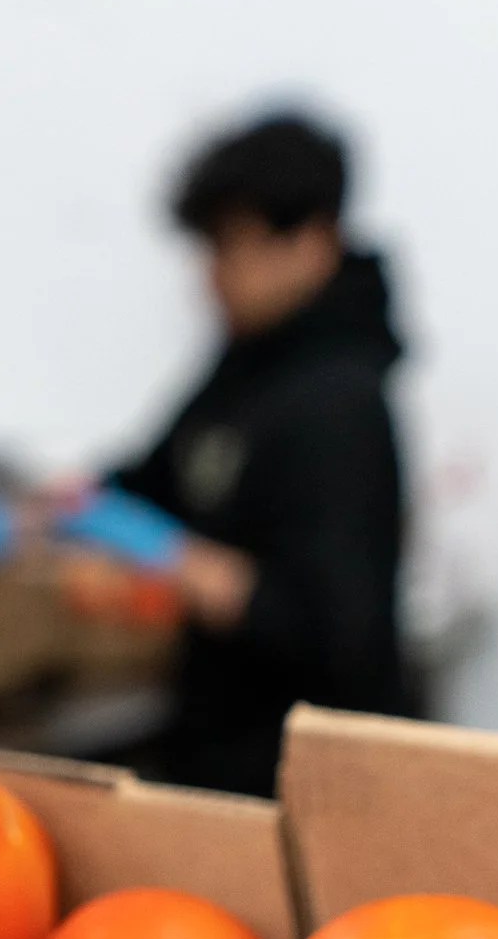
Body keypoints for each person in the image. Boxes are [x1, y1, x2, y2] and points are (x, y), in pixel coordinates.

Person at [110, 112, 410, 798]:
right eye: (207, 250)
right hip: (214, 750)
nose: (211, 277)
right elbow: (157, 478)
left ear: (311, 243)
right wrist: (74, 506)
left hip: (309, 786)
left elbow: (343, 638)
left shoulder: (343, 401)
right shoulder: (242, 365)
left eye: (230, 249)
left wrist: (195, 570)